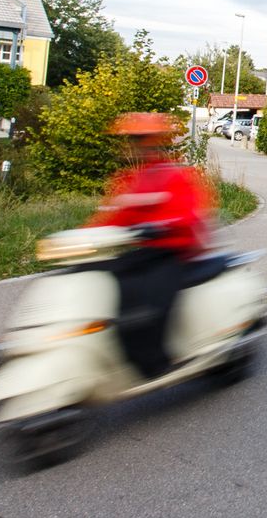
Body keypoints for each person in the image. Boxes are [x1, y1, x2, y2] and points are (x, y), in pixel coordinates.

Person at [87, 112, 216, 378]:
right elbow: (116, 215)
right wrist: (83, 236)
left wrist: (163, 225)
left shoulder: (177, 174)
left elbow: (191, 213)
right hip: (145, 251)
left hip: (175, 251)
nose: (139, 146)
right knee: (106, 282)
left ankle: (157, 360)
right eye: (135, 140)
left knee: (154, 299)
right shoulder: (133, 178)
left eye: (143, 139)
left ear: (158, 141)